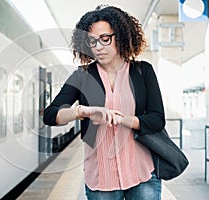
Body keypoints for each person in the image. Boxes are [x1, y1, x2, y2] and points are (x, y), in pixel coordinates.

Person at [43, 5, 165, 200]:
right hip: (101, 178)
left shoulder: (143, 71)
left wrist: (124, 119)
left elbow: (157, 119)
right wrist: (83, 112)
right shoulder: (82, 77)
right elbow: (51, 115)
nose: (98, 47)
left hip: (142, 175)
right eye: (92, 41)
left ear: (122, 36)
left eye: (105, 39)